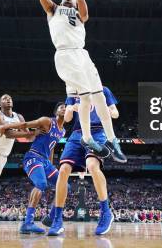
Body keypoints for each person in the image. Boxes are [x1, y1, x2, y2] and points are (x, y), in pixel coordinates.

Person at [23, 0, 126, 163]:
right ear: (61, 1)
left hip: (82, 55)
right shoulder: (53, 9)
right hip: (65, 55)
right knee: (87, 95)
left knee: (98, 94)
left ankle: (112, 139)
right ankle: (87, 137)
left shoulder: (80, 15)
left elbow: (86, 12)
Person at [46, 86, 119, 236]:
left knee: (92, 165)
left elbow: (115, 113)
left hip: (98, 132)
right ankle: (57, 219)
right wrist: (71, 108)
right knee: (64, 169)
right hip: (77, 134)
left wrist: (109, 111)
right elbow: (67, 119)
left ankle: (106, 212)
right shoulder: (73, 92)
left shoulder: (103, 90)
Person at [0, 102, 66, 233]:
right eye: (61, 107)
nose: (64, 109)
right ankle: (27, 223)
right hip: (33, 157)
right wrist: (6, 126)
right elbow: (25, 125)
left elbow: (51, 147)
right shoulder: (47, 121)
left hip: (45, 162)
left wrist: (50, 164)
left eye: (66, 108)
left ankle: (51, 218)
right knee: (41, 183)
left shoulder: (62, 131)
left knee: (65, 186)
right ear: (56, 111)